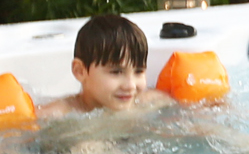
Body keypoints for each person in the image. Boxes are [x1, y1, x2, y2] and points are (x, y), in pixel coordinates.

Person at [37, 15, 171, 119]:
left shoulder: (150, 103)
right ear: (80, 71)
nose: (130, 86)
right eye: (116, 72)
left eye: (138, 71)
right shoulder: (57, 114)